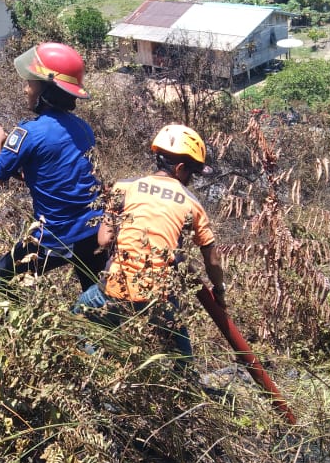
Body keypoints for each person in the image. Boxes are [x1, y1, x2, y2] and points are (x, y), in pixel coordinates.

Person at [71, 124, 226, 369]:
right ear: (180, 168)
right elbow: (213, 260)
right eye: (192, 173)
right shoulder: (192, 204)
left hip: (115, 289)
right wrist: (219, 290)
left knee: (78, 317)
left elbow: (103, 240)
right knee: (180, 356)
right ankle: (187, 382)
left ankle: (98, 370)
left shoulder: (123, 187)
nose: (191, 180)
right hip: (158, 298)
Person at [0, 42, 107, 292]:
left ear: (46, 90)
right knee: (95, 303)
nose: (25, 89)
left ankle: (13, 329)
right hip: (93, 232)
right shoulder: (84, 128)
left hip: (56, 238)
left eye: (30, 83)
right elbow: (61, 171)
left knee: (2, 274)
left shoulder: (28, 133)